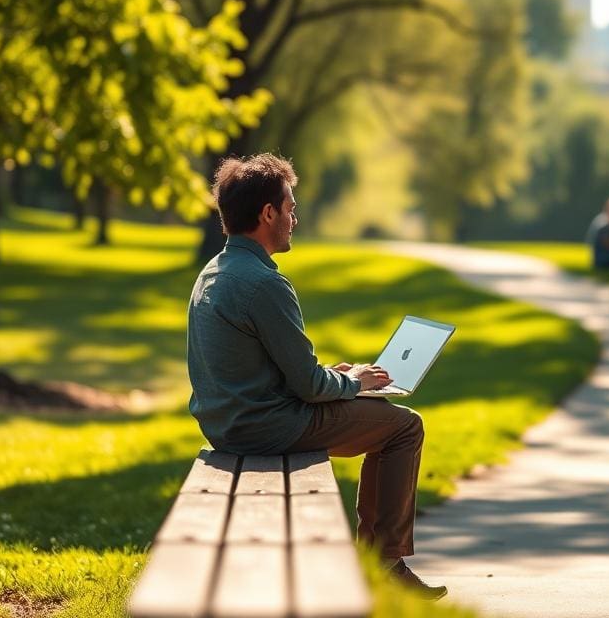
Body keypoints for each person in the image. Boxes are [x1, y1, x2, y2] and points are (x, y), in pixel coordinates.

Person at [186, 153, 447, 600]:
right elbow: (308, 387)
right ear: (267, 214)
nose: (294, 218)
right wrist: (356, 382)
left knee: (377, 411)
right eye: (289, 208)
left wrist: (338, 376)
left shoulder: (214, 272)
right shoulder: (265, 284)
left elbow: (279, 371)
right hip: (266, 428)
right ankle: (381, 564)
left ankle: (377, 561)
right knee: (404, 427)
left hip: (229, 422)